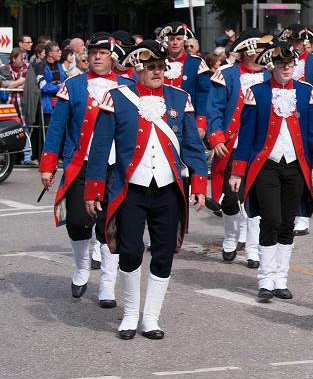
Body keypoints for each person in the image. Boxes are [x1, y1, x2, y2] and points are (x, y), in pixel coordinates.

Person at [84, 42, 209, 339]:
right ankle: (129, 313)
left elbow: (192, 145)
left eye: (160, 67)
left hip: (167, 189)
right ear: (137, 69)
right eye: (150, 67)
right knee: (129, 251)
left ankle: (150, 317)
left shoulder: (179, 98)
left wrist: (200, 183)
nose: (156, 72)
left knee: (164, 253)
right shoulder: (116, 98)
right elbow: (100, 147)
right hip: (131, 189)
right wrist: (93, 190)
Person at [39, 33, 134, 305]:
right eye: (93, 52)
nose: (97, 56)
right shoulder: (73, 86)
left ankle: (107, 283)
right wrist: (48, 166)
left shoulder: (128, 86)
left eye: (103, 53)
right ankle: (81, 268)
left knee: (109, 227)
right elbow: (57, 127)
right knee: (79, 221)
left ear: (113, 57)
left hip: (115, 168)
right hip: (81, 165)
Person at [229, 42, 313, 302]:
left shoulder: (306, 92)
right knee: (270, 219)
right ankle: (265, 279)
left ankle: (280, 279)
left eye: (291, 64)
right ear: (272, 66)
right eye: (281, 64)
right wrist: (237, 171)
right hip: (266, 165)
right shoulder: (257, 92)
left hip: (296, 165)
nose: (286, 68)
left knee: (287, 222)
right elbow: (247, 135)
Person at [205, 30, 272, 266]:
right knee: (230, 197)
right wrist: (217, 138)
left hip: (261, 147)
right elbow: (213, 109)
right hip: (232, 144)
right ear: (247, 52)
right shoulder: (226, 74)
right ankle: (231, 237)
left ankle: (252, 248)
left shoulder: (271, 77)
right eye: (257, 51)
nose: (261, 55)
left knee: (256, 198)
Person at [277, 24, 313, 236]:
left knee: (304, 168)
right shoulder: (277, 59)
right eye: (292, 41)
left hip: (305, 121)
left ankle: (302, 215)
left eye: (299, 41)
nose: (296, 45)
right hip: (281, 120)